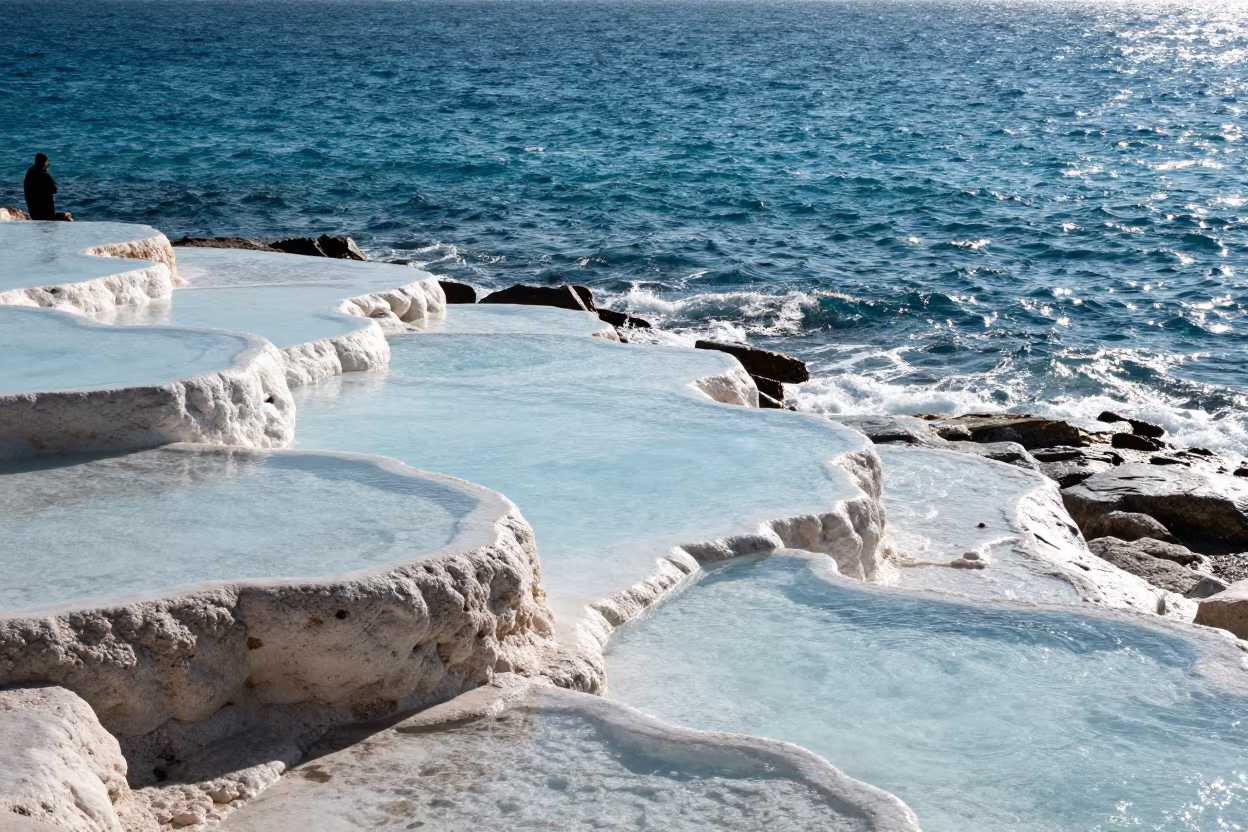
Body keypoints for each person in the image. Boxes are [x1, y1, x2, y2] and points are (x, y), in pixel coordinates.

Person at [24, 153, 58, 220]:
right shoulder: (46, 176)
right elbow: (54, 190)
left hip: (33, 207)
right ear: (44, 162)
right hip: (46, 209)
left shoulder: (29, 173)